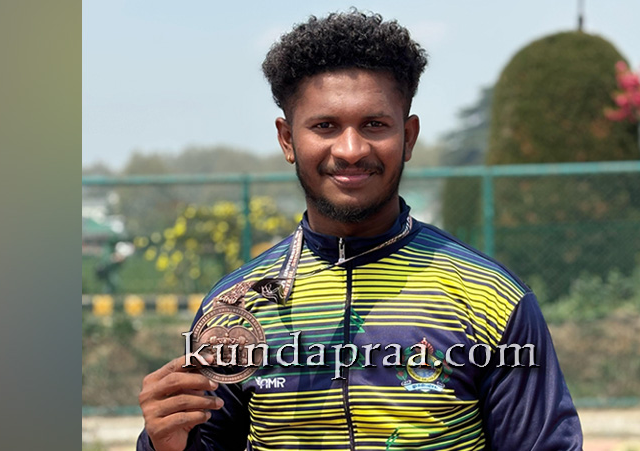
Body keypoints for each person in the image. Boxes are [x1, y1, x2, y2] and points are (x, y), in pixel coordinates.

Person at [137, 10, 582, 451]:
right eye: (325, 126)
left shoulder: (491, 298)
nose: (351, 149)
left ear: (408, 137)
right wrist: (163, 444)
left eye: (374, 125)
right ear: (288, 140)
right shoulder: (237, 309)